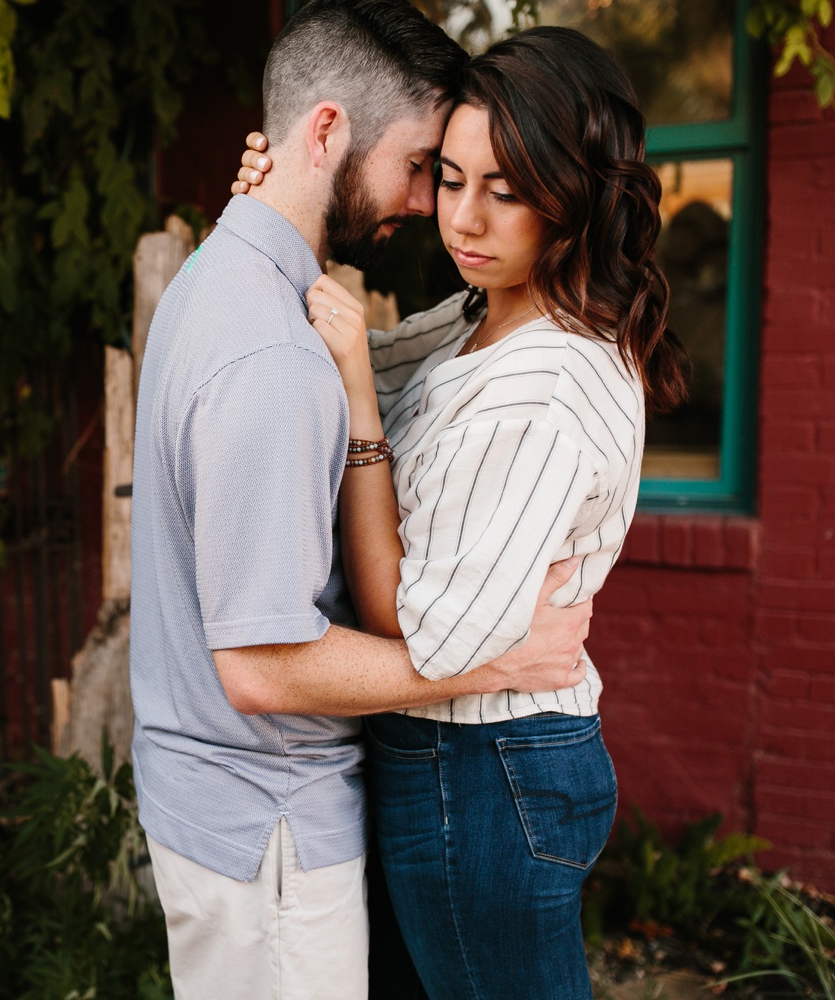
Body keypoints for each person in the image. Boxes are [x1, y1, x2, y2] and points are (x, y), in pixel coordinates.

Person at [129, 3, 596, 999]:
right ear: (330, 129)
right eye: (425, 165)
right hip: (273, 839)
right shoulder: (268, 354)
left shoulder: (216, 278)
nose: (432, 203)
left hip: (224, 814)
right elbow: (261, 665)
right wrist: (492, 664)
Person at [233, 26, 688, 1000]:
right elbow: (326, 345)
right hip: (455, 759)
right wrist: (277, 210)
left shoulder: (547, 387)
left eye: (506, 191)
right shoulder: (487, 315)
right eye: (448, 177)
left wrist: (359, 397)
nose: (463, 219)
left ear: (575, 195)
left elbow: (414, 624)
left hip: (485, 770)